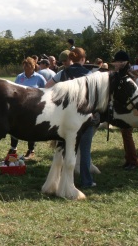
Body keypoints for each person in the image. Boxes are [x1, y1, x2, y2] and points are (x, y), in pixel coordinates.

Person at [46, 47, 97, 188]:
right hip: (83, 117)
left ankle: (61, 179)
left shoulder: (62, 73)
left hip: (64, 118)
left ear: (71, 59)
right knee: (85, 151)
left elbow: (47, 86)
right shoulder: (89, 74)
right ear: (82, 59)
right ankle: (87, 181)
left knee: (63, 150)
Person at [8, 57, 46, 159]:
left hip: (33, 107)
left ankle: (31, 150)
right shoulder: (20, 77)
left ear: (33, 66)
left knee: (30, 127)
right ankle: (13, 148)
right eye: (24, 65)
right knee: (15, 126)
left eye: (27, 65)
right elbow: (14, 89)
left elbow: (46, 90)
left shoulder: (39, 78)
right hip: (20, 106)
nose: (25, 67)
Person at [111, 50, 138, 170]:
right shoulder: (126, 74)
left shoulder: (129, 75)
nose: (115, 64)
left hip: (130, 109)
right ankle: (129, 160)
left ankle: (133, 161)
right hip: (125, 109)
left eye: (117, 62)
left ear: (123, 62)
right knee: (125, 133)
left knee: (127, 134)